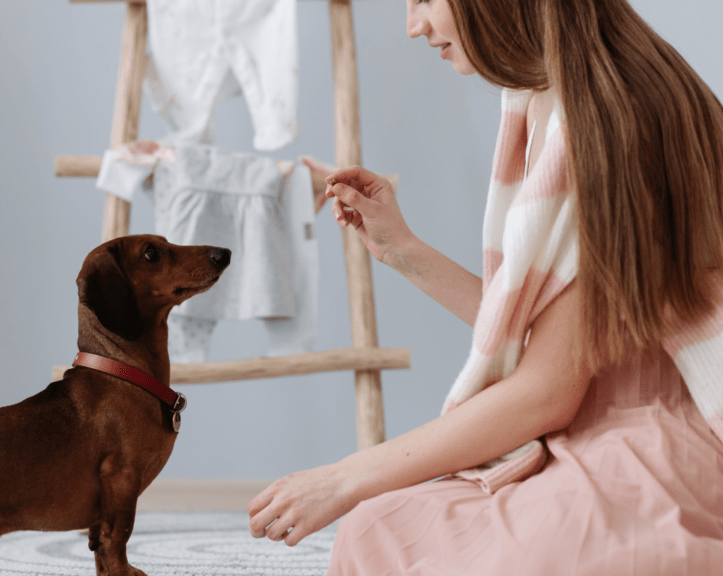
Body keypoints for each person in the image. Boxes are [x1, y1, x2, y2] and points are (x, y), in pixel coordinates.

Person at [247, 0, 723, 573]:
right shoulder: (550, 96)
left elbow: (549, 390)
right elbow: (563, 342)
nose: (412, 25)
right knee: (379, 529)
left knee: (521, 553)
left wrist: (345, 476)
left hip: (654, 438)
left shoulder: (606, 116)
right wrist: (405, 252)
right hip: (597, 425)